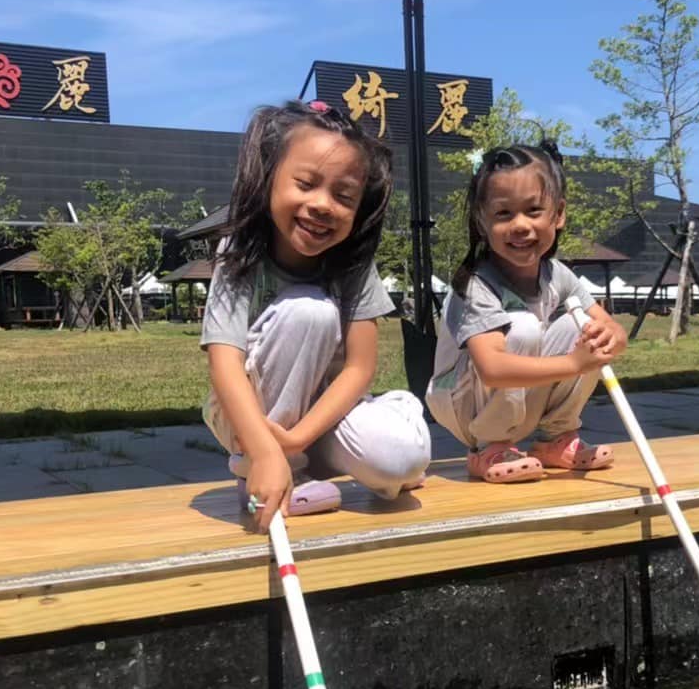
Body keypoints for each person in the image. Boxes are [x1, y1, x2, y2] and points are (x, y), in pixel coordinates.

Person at [202, 100, 430, 528]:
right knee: (310, 312)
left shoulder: (356, 263)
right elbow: (224, 362)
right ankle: (269, 469)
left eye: (344, 196)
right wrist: (268, 452)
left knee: (400, 461)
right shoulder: (240, 252)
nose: (323, 205)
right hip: (249, 416)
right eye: (306, 184)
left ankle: (375, 424)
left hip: (322, 416)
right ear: (269, 179)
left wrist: (299, 437)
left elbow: (360, 368)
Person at [427, 141, 627, 483]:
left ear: (558, 213)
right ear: (482, 220)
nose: (520, 225)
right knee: (521, 326)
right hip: (461, 402)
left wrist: (612, 338)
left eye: (533, 210)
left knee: (583, 329)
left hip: (518, 398)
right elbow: (492, 369)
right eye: (503, 214)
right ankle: (489, 446)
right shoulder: (476, 285)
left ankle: (555, 438)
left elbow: (611, 328)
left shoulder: (557, 274)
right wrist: (573, 364)